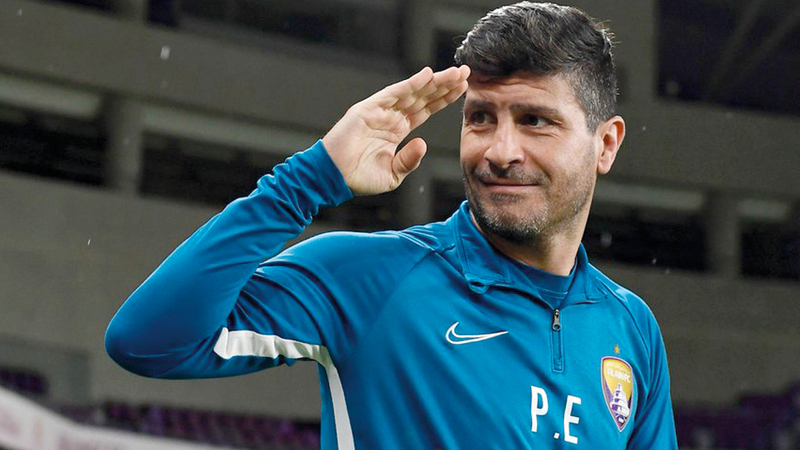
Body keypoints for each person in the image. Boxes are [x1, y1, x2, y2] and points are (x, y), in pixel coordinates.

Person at [105, 2, 677, 448]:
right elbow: (148, 343)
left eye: (535, 121)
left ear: (605, 144)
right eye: (481, 118)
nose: (500, 151)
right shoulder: (370, 277)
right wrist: (309, 180)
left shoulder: (632, 329)